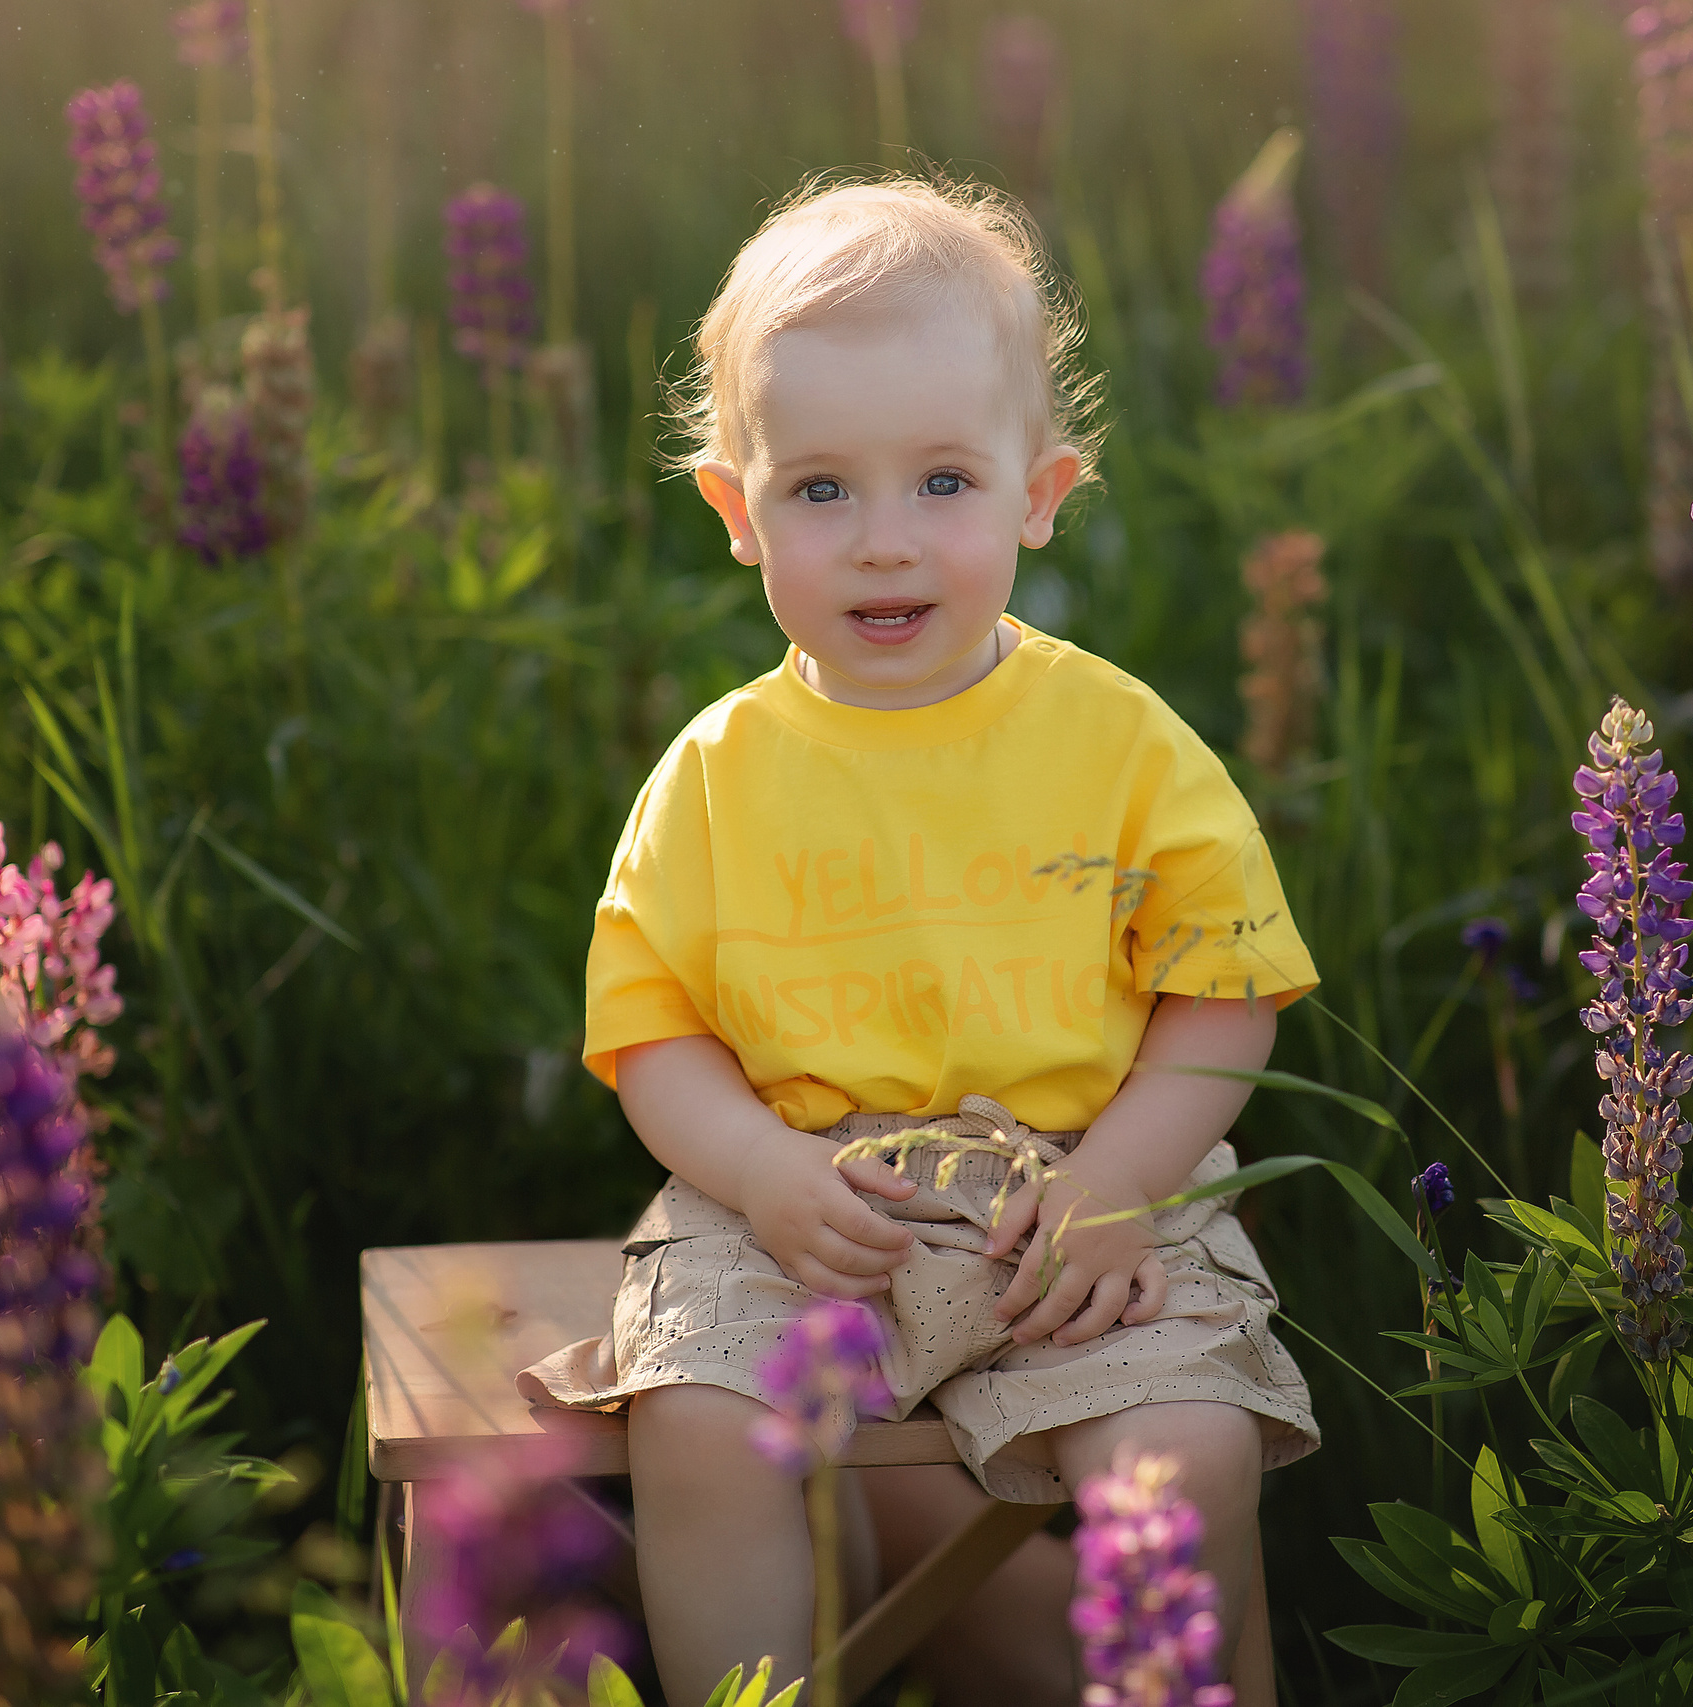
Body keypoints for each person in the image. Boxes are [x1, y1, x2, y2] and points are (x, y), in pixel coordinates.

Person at [518, 174, 1318, 1705]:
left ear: (1039, 493)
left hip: (1079, 1188)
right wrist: (760, 1170)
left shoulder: (1120, 742)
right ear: (738, 514)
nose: (885, 543)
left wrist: (1120, 1181)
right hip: (800, 1202)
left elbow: (1223, 997)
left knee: (1184, 1450)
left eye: (944, 482)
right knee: (700, 1425)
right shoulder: (716, 773)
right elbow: (656, 1033)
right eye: (821, 491)